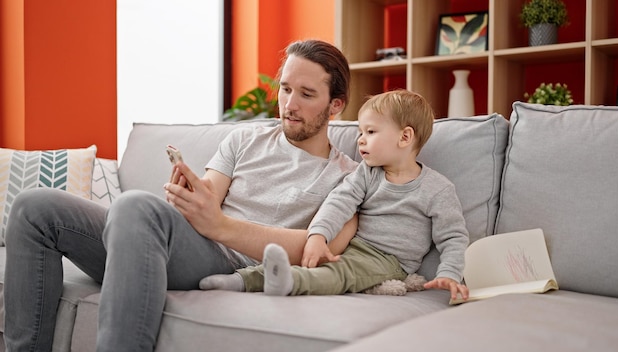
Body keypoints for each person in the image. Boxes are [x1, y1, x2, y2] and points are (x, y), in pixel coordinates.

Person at [4, 39, 359, 352]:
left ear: (335, 105)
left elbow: (319, 250)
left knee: (134, 206)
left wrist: (220, 226)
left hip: (234, 266)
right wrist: (191, 197)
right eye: (285, 89)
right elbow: (208, 197)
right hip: (194, 245)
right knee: (33, 207)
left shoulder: (348, 178)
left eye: (306, 94)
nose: (289, 104)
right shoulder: (244, 140)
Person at [200, 89, 471, 301]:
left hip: (388, 259)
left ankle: (289, 283)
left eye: (371, 132)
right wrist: (318, 237)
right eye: (360, 132)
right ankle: (241, 280)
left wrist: (449, 274)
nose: (360, 140)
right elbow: (338, 203)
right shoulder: (366, 173)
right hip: (353, 245)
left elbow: (453, 236)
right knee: (315, 260)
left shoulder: (437, 189)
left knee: (340, 273)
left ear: (405, 137)